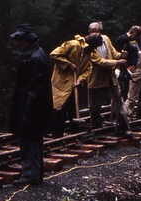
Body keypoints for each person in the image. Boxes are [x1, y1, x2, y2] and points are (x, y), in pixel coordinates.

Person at [9, 24, 54, 185]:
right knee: (32, 140)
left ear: (28, 40)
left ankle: (31, 175)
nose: (19, 42)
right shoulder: (37, 54)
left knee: (29, 141)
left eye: (21, 39)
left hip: (32, 108)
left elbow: (34, 89)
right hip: (33, 107)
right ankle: (34, 173)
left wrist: (27, 113)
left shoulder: (35, 58)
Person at [85, 28, 131, 137]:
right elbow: (100, 62)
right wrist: (117, 62)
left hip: (110, 78)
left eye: (99, 32)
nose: (97, 35)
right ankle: (97, 129)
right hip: (95, 79)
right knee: (93, 107)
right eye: (94, 32)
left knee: (119, 102)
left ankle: (125, 127)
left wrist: (120, 55)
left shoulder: (105, 39)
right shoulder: (87, 46)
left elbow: (113, 52)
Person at [49, 35, 92, 137]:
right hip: (62, 82)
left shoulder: (89, 53)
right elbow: (54, 54)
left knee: (73, 109)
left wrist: (80, 79)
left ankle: (74, 133)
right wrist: (68, 64)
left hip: (74, 84)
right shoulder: (73, 44)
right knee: (60, 108)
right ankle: (57, 135)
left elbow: (89, 68)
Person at [114, 26, 141, 101]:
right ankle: (115, 111)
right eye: (137, 36)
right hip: (119, 67)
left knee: (125, 89)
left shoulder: (131, 40)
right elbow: (115, 53)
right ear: (134, 33)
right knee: (119, 90)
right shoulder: (123, 39)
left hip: (127, 67)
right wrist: (117, 67)